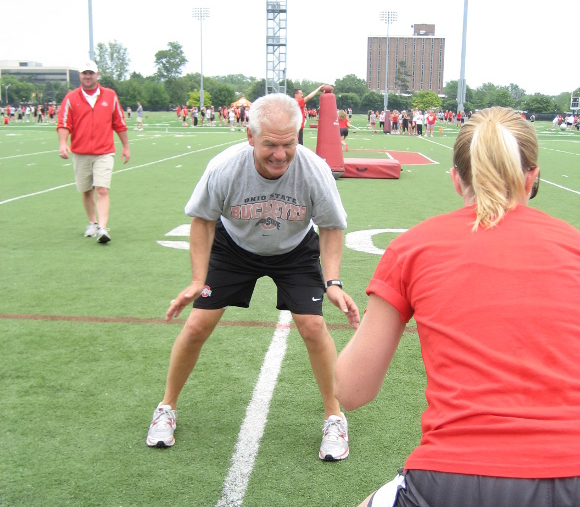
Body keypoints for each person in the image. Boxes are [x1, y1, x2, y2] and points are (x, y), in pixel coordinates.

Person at [334, 107, 580, 507]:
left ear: (455, 179)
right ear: (532, 177)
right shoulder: (574, 246)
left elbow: (351, 389)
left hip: (452, 476)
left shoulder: (413, 247)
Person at [146, 93, 360, 461]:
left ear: (300, 133)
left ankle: (334, 417)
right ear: (250, 136)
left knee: (312, 327)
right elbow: (203, 221)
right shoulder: (224, 168)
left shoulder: (314, 171)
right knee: (197, 325)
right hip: (234, 247)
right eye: (270, 145)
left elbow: (330, 227)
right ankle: (166, 407)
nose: (280, 155)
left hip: (294, 249)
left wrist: (333, 282)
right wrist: (198, 280)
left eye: (288, 144)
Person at [57, 60, 130, 244]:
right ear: (80, 76)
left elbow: (119, 123)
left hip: (104, 151)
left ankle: (103, 228)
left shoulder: (110, 96)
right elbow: (64, 123)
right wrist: (63, 143)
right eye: (84, 73)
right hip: (80, 152)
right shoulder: (71, 98)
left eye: (90, 73)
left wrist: (126, 147)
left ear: (97, 74)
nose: (87, 76)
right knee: (86, 190)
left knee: (102, 189)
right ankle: (93, 222)